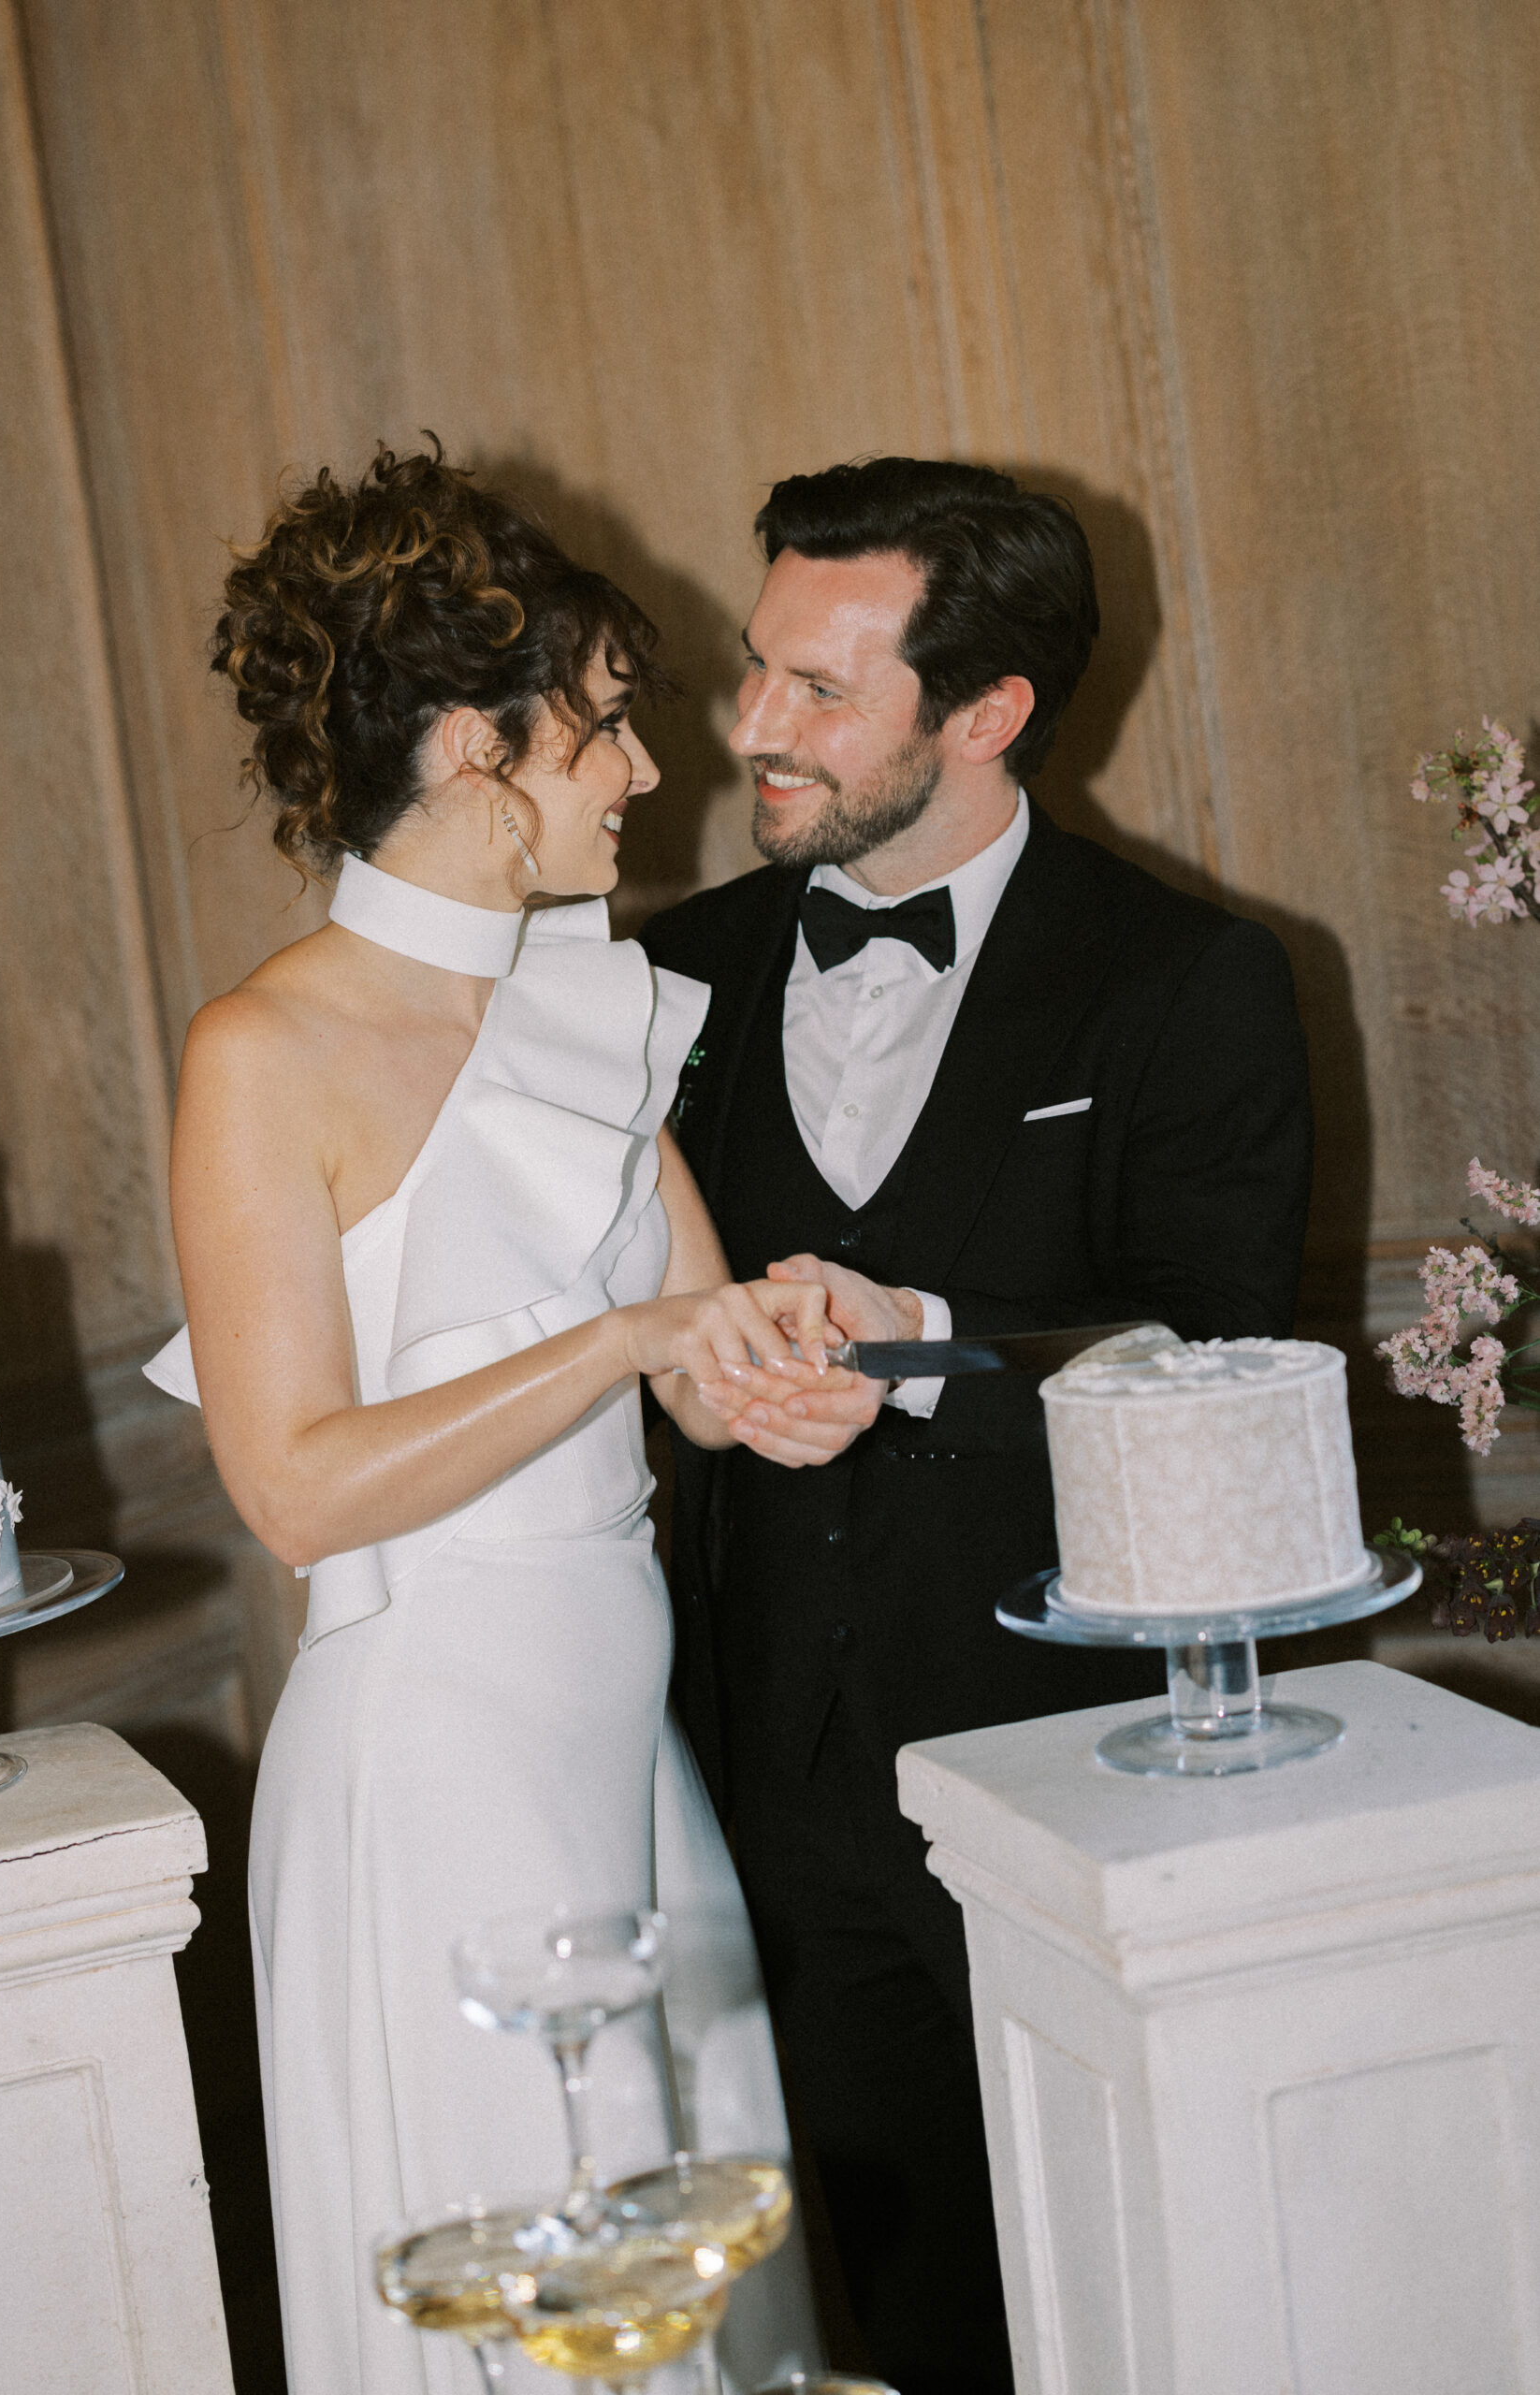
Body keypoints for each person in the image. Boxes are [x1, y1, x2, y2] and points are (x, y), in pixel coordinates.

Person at [143, 442, 845, 2395]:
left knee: (688, 2292)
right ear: (472, 743)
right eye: (601, 725)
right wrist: (632, 1342)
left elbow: (691, 1356)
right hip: (438, 1779)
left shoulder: (581, 991)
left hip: (626, 1752)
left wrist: (778, 1368)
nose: (641, 769)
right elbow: (291, 1484)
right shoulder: (262, 1050)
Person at [638, 456, 1314, 2395]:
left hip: (1082, 1765)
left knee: (1158, 2296)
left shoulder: (1185, 977)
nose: (750, 726)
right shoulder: (653, 982)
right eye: (752, 666)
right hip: (771, 1774)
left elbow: (1220, 1357)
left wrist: (921, 1334)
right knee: (917, 2315)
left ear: (985, 712)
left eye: (816, 691)